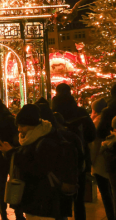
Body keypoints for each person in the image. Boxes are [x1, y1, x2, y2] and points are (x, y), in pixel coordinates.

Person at [0, 104, 63, 220]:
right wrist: (11, 152)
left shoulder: (46, 142)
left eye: (22, 126)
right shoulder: (29, 139)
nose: (19, 129)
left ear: (33, 125)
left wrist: (11, 153)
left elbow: (36, 168)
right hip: (32, 200)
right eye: (18, 126)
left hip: (43, 201)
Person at [51, 83, 95, 220]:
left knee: (59, 197)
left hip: (57, 159)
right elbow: (91, 134)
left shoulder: (52, 114)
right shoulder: (80, 112)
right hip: (79, 158)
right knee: (79, 199)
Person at [91, 98, 115, 220]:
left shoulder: (97, 122)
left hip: (101, 162)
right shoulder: (110, 118)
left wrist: (91, 161)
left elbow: (95, 144)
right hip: (109, 160)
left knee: (106, 194)